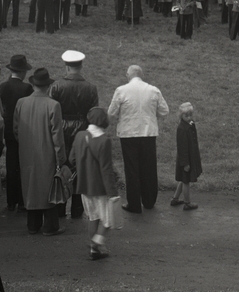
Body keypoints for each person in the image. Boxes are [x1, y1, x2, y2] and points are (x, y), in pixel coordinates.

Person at [107, 64, 169, 214]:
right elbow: (164, 111)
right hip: (148, 133)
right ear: (141, 75)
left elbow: (112, 112)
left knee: (132, 169)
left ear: (129, 75)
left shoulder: (121, 90)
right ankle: (149, 201)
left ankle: (134, 204)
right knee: (149, 167)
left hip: (129, 134)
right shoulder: (153, 90)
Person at [13, 67, 67, 236]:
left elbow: (15, 129)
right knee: (48, 187)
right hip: (47, 152)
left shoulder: (21, 103)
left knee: (30, 185)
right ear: (48, 86)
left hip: (26, 151)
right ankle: (50, 226)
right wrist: (61, 158)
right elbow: (57, 135)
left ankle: (33, 224)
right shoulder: (53, 105)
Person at [49, 49, 97, 220]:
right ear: (81, 66)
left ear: (66, 66)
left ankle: (60, 206)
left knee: (61, 166)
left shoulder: (56, 86)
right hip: (82, 129)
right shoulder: (91, 88)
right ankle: (77, 209)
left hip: (60, 129)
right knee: (79, 168)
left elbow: (50, 111)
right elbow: (93, 114)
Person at [70, 107, 120, 260]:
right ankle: (97, 242)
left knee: (93, 217)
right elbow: (106, 169)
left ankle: (94, 250)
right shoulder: (104, 141)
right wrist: (113, 192)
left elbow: (72, 159)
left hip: (84, 185)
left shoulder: (79, 135)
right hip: (100, 187)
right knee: (108, 219)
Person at [0, 54, 33, 213]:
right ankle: (22, 200)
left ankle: (10, 202)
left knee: (11, 166)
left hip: (8, 130)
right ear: (24, 72)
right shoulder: (26, 88)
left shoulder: (2, 87)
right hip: (24, 130)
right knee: (23, 166)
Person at [170, 101, 201, 211]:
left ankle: (175, 198)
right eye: (186, 116)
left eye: (190, 115)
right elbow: (182, 148)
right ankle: (187, 203)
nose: (189, 118)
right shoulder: (182, 129)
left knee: (183, 179)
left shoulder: (189, 125)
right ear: (181, 116)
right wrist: (185, 163)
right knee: (186, 181)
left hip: (188, 157)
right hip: (185, 159)